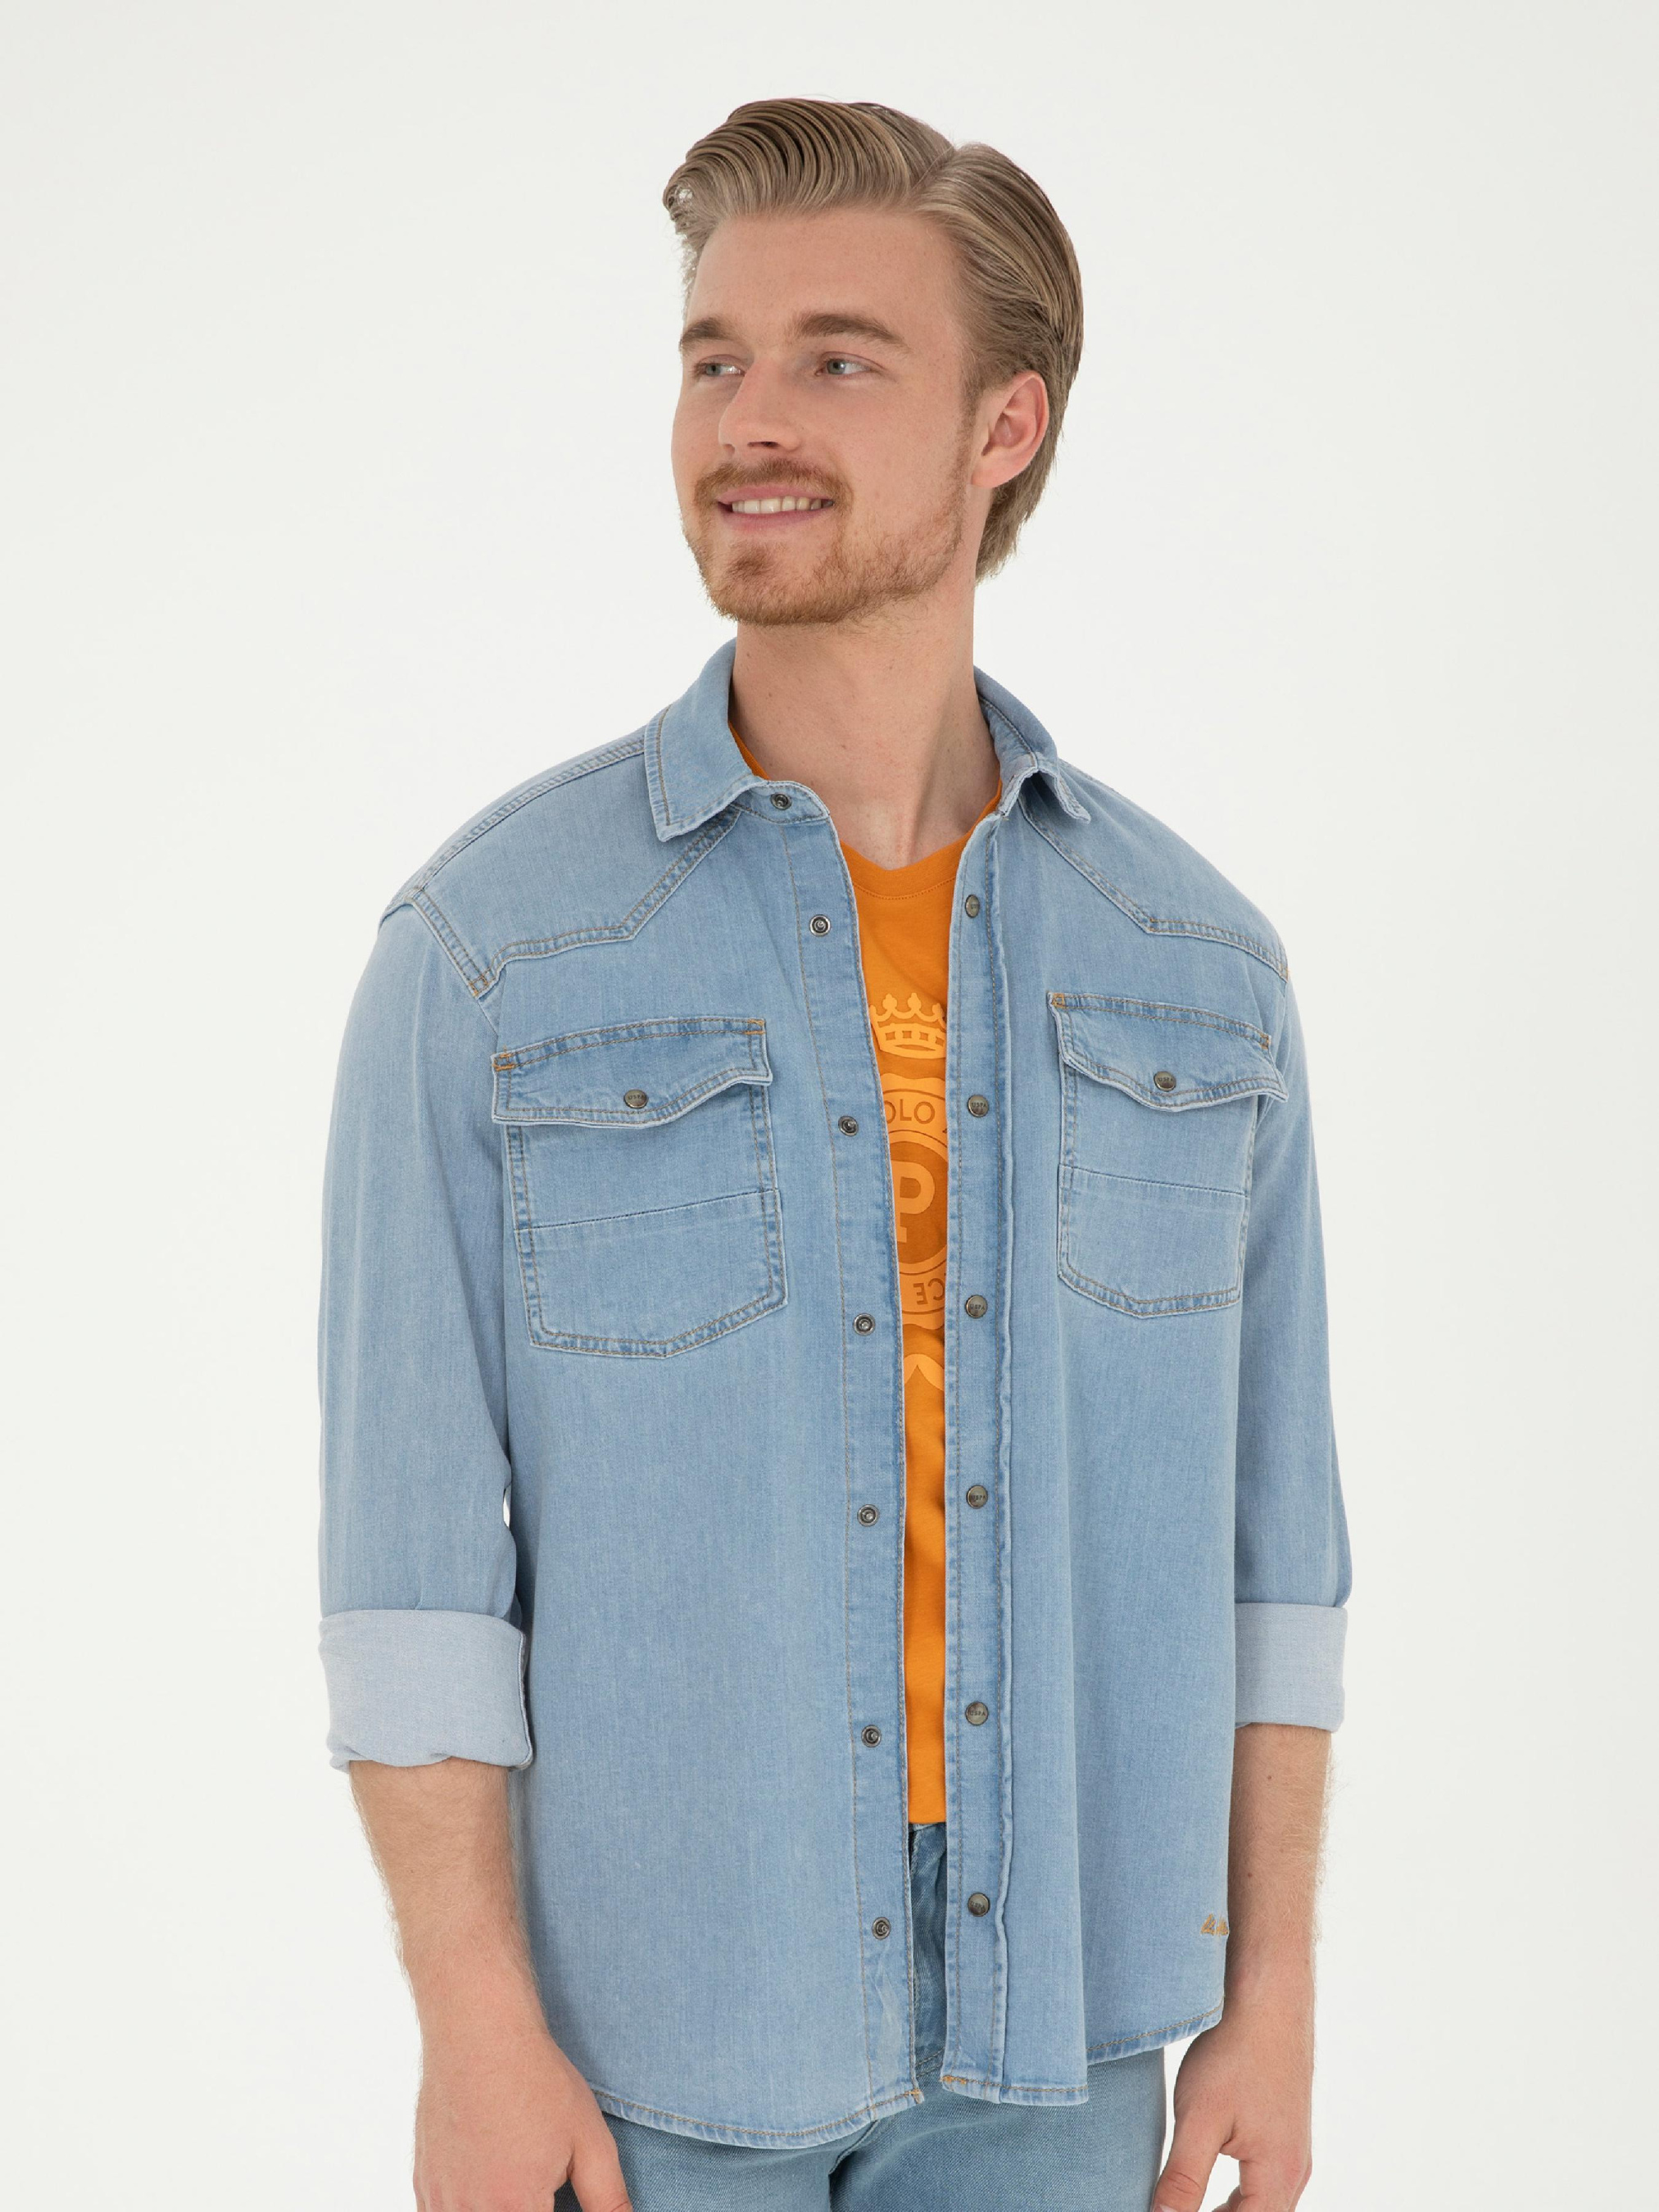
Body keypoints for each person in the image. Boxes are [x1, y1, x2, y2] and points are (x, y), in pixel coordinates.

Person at [317, 97, 1350, 2212]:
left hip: (1069, 2029)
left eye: (836, 359)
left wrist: (1275, 1995)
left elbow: (1275, 1558)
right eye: (713, 357)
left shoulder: (1197, 970)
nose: (748, 421)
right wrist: (472, 2026)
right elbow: (413, 1574)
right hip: (647, 2047)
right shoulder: (495, 953)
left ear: (1003, 428)